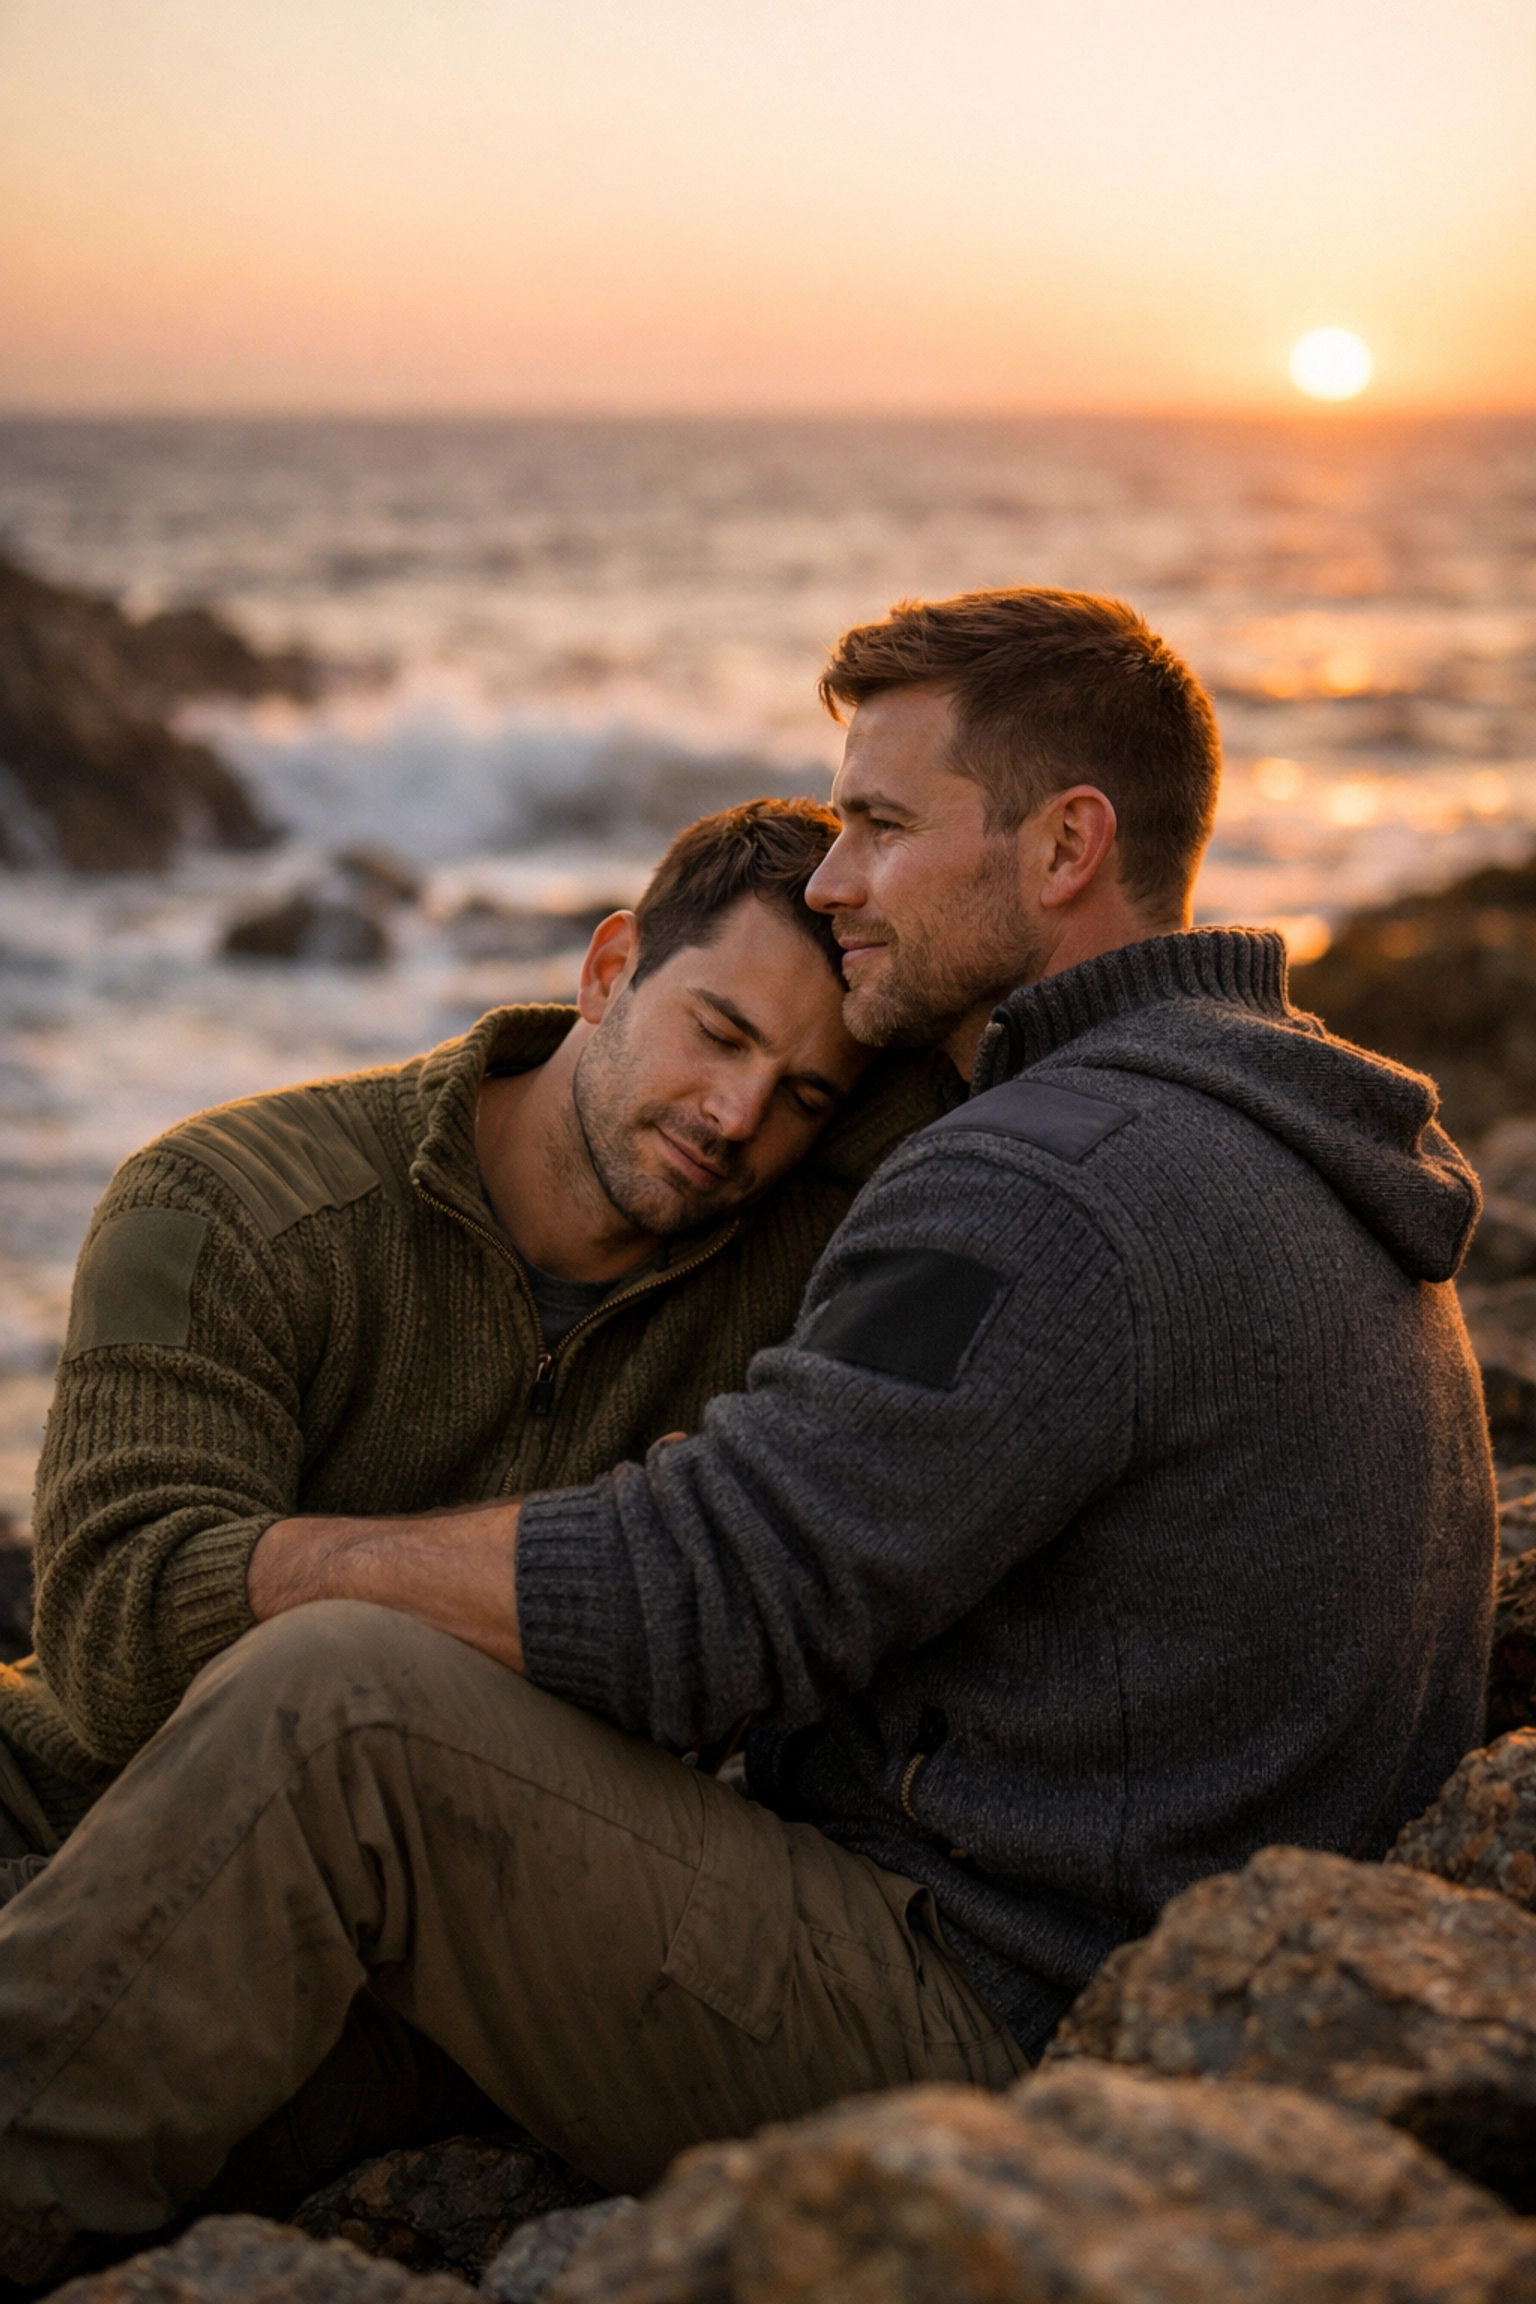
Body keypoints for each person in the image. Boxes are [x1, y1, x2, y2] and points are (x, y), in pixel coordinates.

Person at [0, 588, 1495, 2285]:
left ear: (1070, 842)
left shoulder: (1048, 1181)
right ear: (608, 973)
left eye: (880, 824)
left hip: (995, 2024)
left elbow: (717, 1594)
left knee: (336, 1705)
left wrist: (304, 1566)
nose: (837, 877)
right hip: (1169, 1977)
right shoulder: (1254, 1109)